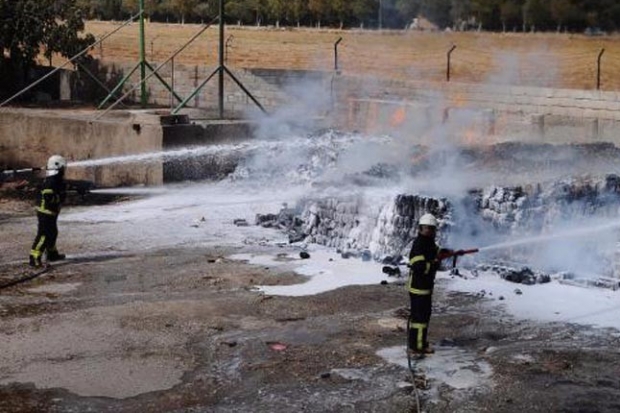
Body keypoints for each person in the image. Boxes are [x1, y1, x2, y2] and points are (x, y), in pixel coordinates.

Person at [407, 213, 462, 356]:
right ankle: (417, 347)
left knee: (424, 316)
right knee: (419, 318)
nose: (430, 231)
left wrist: (451, 253)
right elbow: (418, 265)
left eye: (432, 228)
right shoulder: (419, 244)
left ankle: (419, 343)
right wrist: (434, 264)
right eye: (427, 228)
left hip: (425, 287)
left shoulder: (429, 242)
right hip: (418, 287)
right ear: (420, 228)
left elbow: (437, 252)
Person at [29, 155, 67, 267]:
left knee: (53, 233)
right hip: (45, 212)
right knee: (44, 235)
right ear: (58, 167)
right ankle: (34, 257)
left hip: (51, 212)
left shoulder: (56, 179)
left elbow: (58, 190)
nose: (64, 170)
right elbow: (48, 197)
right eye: (63, 168)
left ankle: (52, 254)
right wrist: (60, 197)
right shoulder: (51, 180)